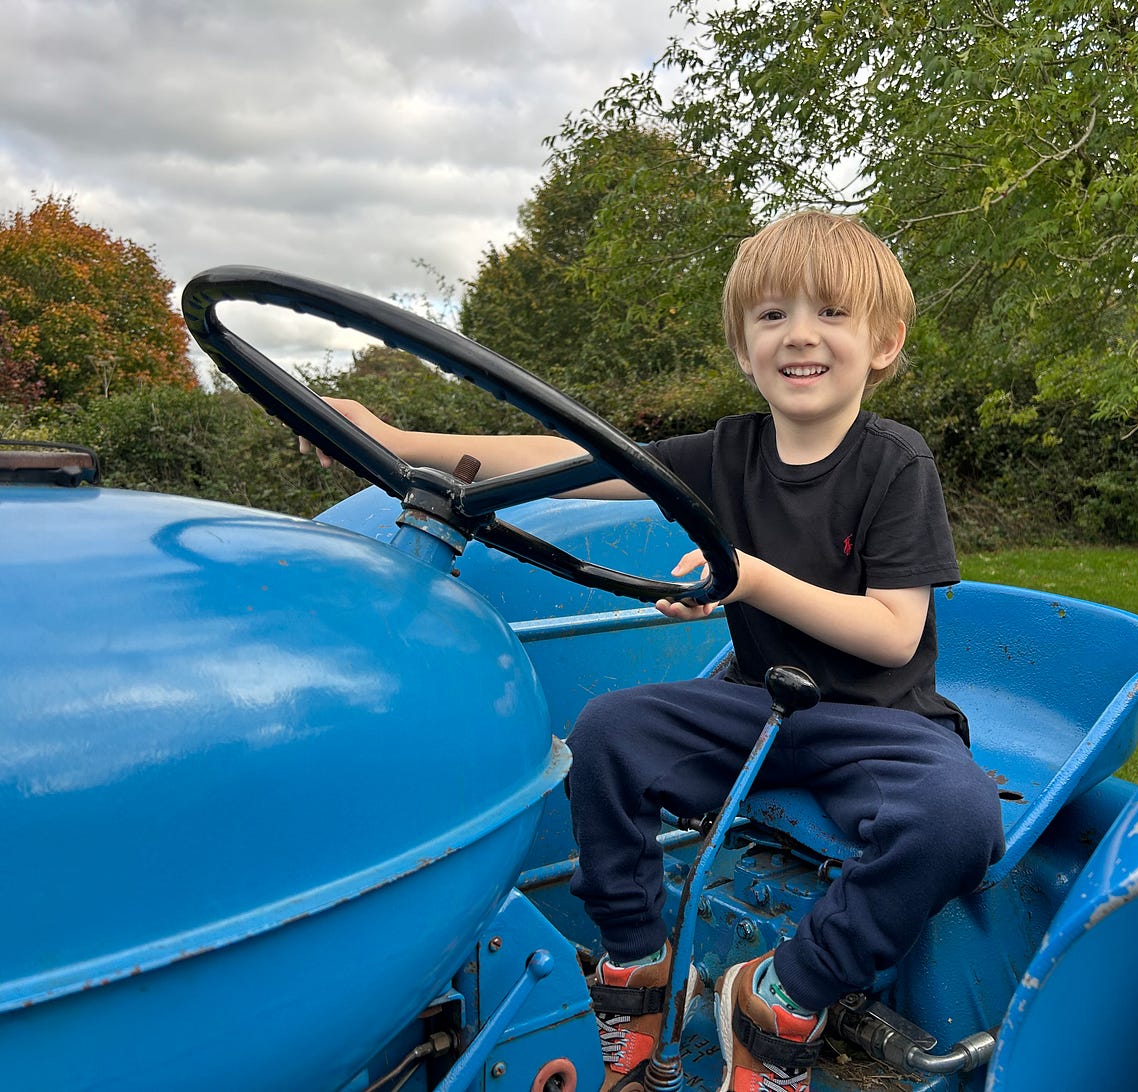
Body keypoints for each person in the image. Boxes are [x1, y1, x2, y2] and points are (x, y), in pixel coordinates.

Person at [303, 210, 1005, 1092]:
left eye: (831, 313)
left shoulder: (895, 463)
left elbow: (894, 630)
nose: (799, 335)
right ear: (743, 346)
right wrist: (402, 443)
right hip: (759, 708)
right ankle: (637, 964)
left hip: (881, 723)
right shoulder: (727, 453)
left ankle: (783, 991)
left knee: (959, 819)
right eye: (771, 315)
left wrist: (748, 580)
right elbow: (569, 457)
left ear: (885, 341)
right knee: (607, 732)